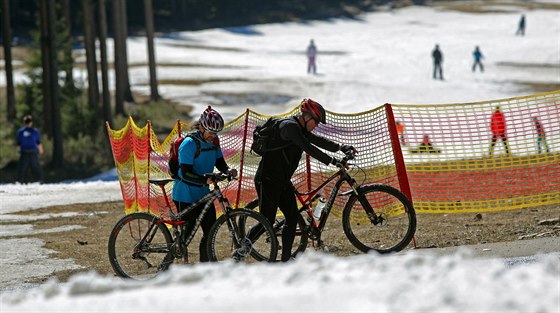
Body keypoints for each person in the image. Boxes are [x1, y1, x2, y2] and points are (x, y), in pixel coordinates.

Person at [254, 98, 356, 262]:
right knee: (266, 221)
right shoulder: (290, 127)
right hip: (268, 179)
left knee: (292, 218)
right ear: (307, 116)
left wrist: (340, 147)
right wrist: (333, 161)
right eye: (316, 122)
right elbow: (308, 147)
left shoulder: (299, 128)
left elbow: (317, 141)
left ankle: (286, 260)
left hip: (282, 180)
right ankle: (242, 247)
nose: (316, 126)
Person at [172, 106, 237, 262]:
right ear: (201, 127)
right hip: (184, 194)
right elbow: (185, 172)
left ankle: (206, 266)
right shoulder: (189, 144)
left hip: (203, 193)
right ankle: (166, 263)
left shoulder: (214, 141)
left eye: (215, 133)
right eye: (210, 132)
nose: (212, 136)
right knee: (185, 236)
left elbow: (219, 161)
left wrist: (228, 170)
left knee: (210, 232)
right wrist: (203, 179)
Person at [17, 115, 44, 183]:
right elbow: (38, 142)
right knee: (35, 167)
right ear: (31, 122)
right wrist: (41, 149)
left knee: (23, 167)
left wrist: (18, 150)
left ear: (24, 122)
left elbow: (19, 143)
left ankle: (21, 181)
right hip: (33, 151)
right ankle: (39, 180)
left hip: (24, 151)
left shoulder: (20, 131)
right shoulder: (35, 131)